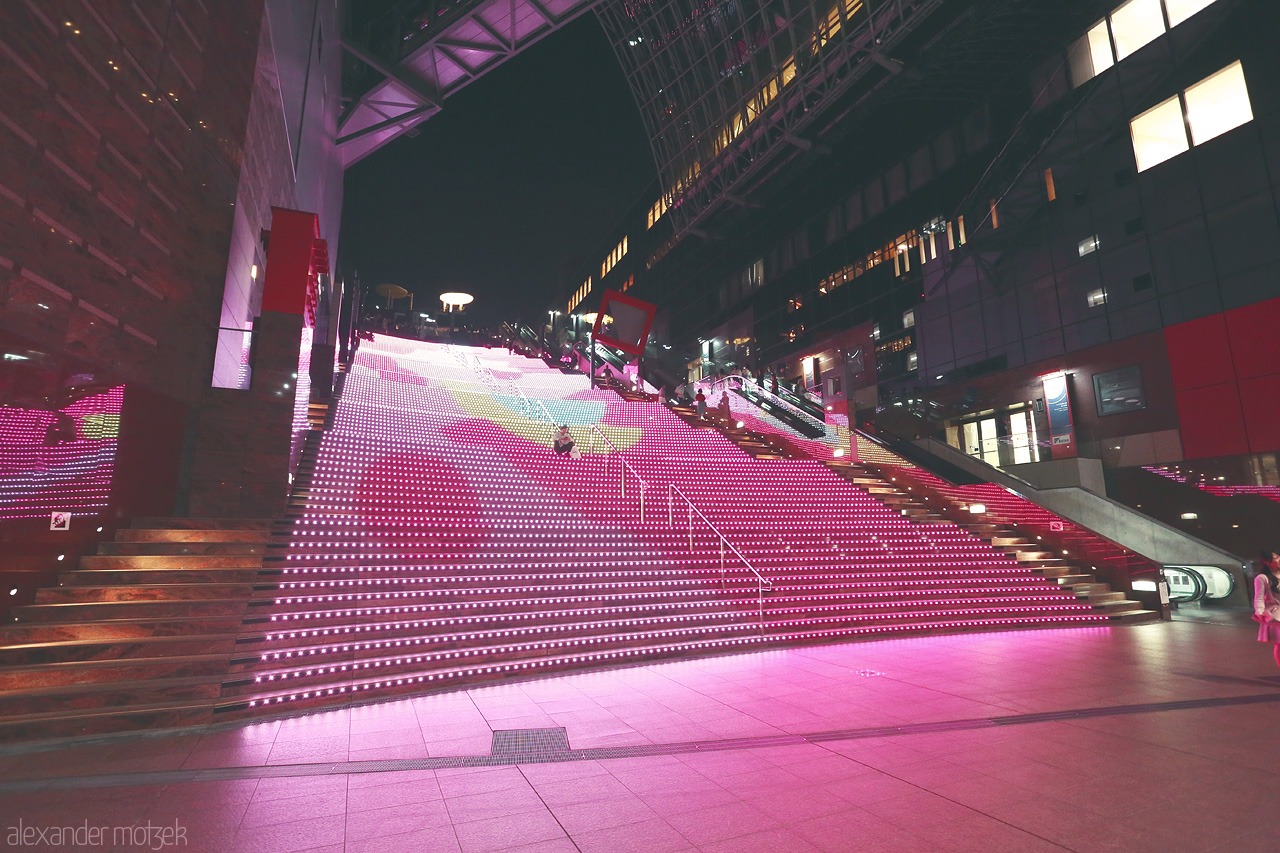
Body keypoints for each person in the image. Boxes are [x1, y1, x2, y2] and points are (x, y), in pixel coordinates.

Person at [1253, 551, 1280, 670]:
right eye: (1275, 558)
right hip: (1276, 616)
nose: (1278, 559)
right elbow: (1258, 598)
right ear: (1267, 562)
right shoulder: (1262, 578)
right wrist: (1261, 613)